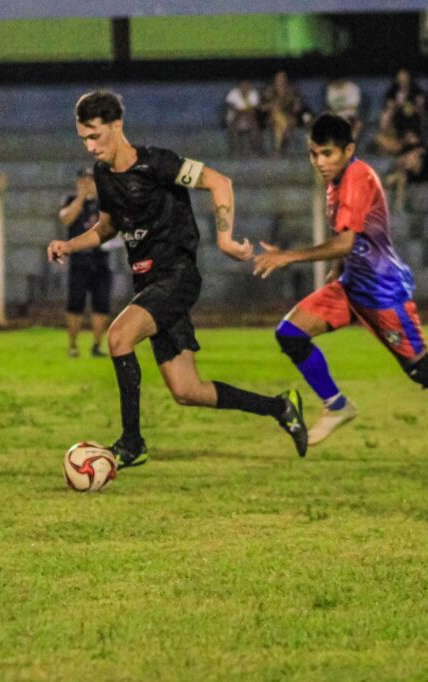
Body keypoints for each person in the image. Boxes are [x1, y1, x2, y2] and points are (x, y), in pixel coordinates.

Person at [47, 90, 308, 469]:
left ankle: (132, 443)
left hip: (176, 276)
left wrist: (224, 238)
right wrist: (69, 244)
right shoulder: (104, 176)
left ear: (117, 126)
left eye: (95, 135)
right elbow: (106, 228)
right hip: (149, 285)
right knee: (188, 390)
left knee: (118, 337)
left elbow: (221, 182)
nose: (89, 146)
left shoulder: (158, 163)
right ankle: (281, 406)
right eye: (83, 138)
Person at [252, 114, 428, 465]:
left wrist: (289, 256)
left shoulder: (357, 179)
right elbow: (355, 242)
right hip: (351, 286)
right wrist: (337, 271)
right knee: (290, 334)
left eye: (327, 153)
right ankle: (337, 405)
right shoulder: (337, 181)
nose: (320, 162)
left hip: (383, 293)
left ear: (349, 150)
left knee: (421, 370)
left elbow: (345, 241)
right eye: (314, 154)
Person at [58, 167, 112, 358]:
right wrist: (81, 197)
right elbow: (65, 218)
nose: (88, 183)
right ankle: (73, 345)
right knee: (75, 304)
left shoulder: (105, 202)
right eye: (85, 180)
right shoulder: (71, 200)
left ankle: (97, 345)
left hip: (101, 260)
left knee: (101, 304)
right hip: (79, 260)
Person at [261, 71, 309, 158]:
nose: (280, 81)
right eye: (278, 78)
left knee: (279, 126)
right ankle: (285, 138)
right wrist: (272, 105)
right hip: (271, 118)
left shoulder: (291, 91)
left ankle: (277, 150)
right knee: (277, 115)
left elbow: (297, 107)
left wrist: (294, 107)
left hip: (289, 118)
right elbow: (262, 107)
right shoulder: (270, 91)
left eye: (282, 78)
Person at [224, 80, 263, 158]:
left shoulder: (253, 93)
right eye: (242, 85)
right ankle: (233, 152)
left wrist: (243, 110)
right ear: (239, 86)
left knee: (253, 123)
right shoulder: (233, 93)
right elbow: (231, 106)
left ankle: (256, 151)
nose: (244, 87)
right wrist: (242, 111)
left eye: (246, 85)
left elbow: (254, 108)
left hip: (249, 119)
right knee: (236, 118)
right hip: (235, 119)